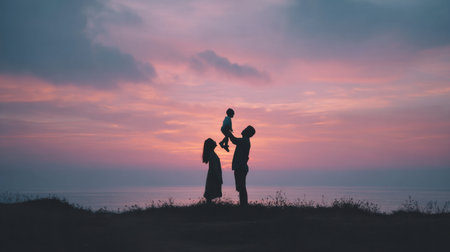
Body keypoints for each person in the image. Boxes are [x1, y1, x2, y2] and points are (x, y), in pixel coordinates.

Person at [227, 125, 255, 206]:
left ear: (247, 132)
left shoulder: (245, 140)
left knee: (241, 188)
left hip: (241, 167)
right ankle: (243, 205)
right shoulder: (244, 140)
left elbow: (234, 140)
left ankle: (244, 205)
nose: (243, 130)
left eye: (245, 129)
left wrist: (228, 133)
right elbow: (235, 140)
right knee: (241, 187)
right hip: (241, 167)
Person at [202, 138, 223, 203]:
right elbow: (215, 167)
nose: (215, 142)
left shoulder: (212, 153)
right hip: (213, 175)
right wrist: (219, 177)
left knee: (210, 193)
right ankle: (209, 208)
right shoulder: (212, 154)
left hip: (212, 175)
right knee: (210, 193)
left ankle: (209, 207)